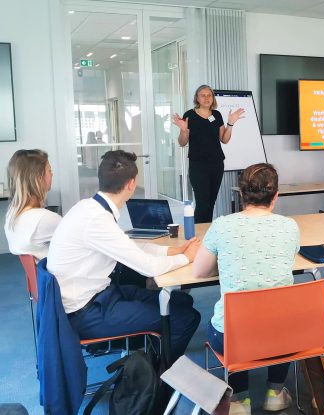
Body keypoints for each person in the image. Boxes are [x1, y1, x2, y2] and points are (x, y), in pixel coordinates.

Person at [47, 150, 202, 362]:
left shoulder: (89, 208)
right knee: (186, 317)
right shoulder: (97, 220)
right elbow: (148, 268)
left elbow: (128, 246)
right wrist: (189, 258)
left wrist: (173, 251)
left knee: (181, 301)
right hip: (87, 313)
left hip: (97, 296)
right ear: (131, 184)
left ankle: (151, 354)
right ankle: (158, 380)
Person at [192, 163, 299, 412]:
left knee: (231, 323)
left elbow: (199, 271)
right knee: (279, 318)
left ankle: (240, 400)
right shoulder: (290, 226)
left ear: (241, 194)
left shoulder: (221, 225)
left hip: (233, 338)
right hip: (284, 337)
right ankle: (275, 392)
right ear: (276, 196)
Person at [172, 84, 245, 223]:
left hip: (216, 164)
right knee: (202, 203)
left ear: (212, 98)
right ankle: (197, 233)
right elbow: (182, 143)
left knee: (211, 202)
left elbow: (224, 139)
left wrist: (230, 124)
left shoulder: (216, 115)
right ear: (197, 98)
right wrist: (183, 130)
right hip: (198, 165)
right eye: (203, 95)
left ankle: (205, 232)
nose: (206, 98)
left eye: (209, 95)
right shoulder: (189, 115)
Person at [4, 149, 61, 261]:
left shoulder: (12, 212)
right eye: (49, 171)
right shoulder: (44, 219)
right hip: (59, 276)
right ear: (38, 178)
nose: (52, 174)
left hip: (41, 275)